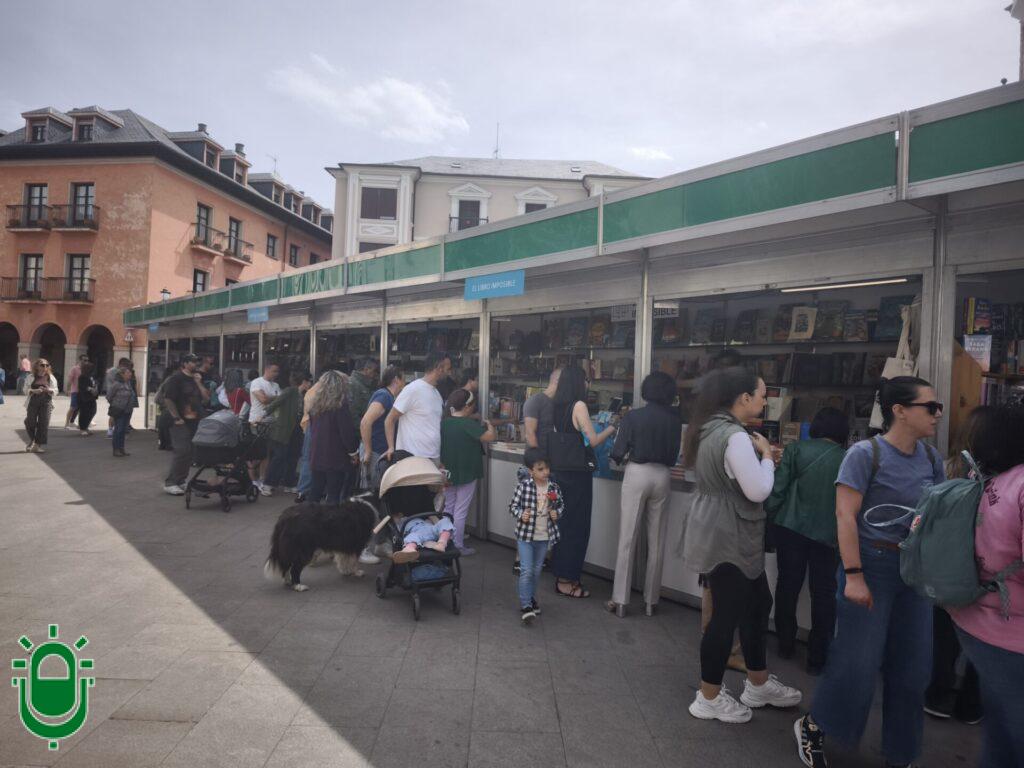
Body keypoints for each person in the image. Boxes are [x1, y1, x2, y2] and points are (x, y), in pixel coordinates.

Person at [796, 376, 946, 768]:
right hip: (872, 565)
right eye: (930, 406)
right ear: (899, 411)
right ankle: (815, 725)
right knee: (857, 663)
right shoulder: (865, 454)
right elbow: (845, 516)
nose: (938, 413)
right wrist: (855, 575)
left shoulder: (931, 459)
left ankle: (902, 753)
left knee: (913, 670)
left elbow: (934, 517)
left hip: (913, 573)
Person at [679, 367, 800, 724]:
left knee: (757, 603)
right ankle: (709, 695)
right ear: (743, 398)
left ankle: (758, 682)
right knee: (727, 615)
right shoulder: (734, 437)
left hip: (721, 530)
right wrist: (765, 456)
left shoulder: (710, 428)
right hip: (731, 534)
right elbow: (758, 490)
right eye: (763, 394)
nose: (766, 400)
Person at [947, 405, 1024, 767]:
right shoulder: (1020, 485)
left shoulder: (979, 483)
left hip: (976, 622)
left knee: (1004, 732)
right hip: (1014, 634)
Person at [764, 407, 848, 675]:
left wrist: (769, 515)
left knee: (788, 584)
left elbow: (778, 489)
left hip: (791, 527)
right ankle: (817, 657)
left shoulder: (796, 450)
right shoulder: (847, 459)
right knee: (824, 594)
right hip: (829, 534)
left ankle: (786, 644)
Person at [924, 406, 991, 723]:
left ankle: (938, 694)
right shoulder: (1004, 479)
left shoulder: (948, 467)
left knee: (944, 636)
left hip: (948, 565)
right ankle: (971, 703)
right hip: (985, 568)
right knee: (984, 634)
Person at [607, 371, 682, 618]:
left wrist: (623, 457)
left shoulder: (633, 417)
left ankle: (620, 601)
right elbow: (673, 456)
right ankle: (651, 602)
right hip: (663, 475)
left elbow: (618, 452)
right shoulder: (674, 419)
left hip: (637, 473)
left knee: (627, 539)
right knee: (657, 541)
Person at [547, 365, 615, 599]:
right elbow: (593, 441)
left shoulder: (556, 405)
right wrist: (612, 428)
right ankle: (567, 580)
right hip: (577, 474)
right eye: (586, 379)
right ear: (578, 382)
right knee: (577, 526)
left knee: (563, 524)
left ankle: (562, 573)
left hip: (559, 470)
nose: (588, 383)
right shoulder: (579, 405)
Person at [509, 448, 564, 624]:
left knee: (536, 571)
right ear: (531, 471)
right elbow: (512, 506)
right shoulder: (524, 487)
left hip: (544, 536)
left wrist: (557, 513)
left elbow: (560, 505)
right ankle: (525, 604)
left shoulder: (554, 487)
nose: (545, 472)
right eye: (540, 469)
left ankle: (531, 598)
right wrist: (520, 514)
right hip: (525, 536)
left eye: (547, 468)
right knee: (526, 570)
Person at [440, 388, 497, 556]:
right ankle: (457, 545)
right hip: (467, 471)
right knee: (461, 509)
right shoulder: (468, 424)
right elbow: (489, 437)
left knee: (448, 507)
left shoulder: (444, 422)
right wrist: (490, 426)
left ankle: (445, 540)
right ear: (466, 407)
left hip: (448, 473)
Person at [384, 352, 451, 464]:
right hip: (413, 458)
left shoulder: (436, 393)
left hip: (433, 457)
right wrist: (391, 447)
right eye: (448, 369)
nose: (450, 373)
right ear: (439, 368)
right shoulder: (412, 389)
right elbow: (390, 419)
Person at [307, 370, 359, 504]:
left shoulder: (315, 406)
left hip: (317, 454)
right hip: (335, 457)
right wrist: (353, 453)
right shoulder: (341, 406)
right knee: (333, 493)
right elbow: (346, 433)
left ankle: (307, 519)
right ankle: (331, 521)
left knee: (315, 490)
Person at [162, 354, 209, 495]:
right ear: (185, 363)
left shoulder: (196, 379)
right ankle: (170, 482)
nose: (196, 364)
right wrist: (176, 417)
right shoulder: (176, 379)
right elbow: (168, 399)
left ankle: (181, 480)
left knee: (190, 451)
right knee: (182, 449)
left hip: (194, 420)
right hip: (179, 420)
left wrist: (199, 383)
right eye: (193, 362)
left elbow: (206, 399)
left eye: (197, 362)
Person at [263, 371, 312, 493]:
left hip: (296, 429)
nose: (311, 384)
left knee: (293, 457)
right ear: (304, 382)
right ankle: (268, 483)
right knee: (279, 456)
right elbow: (276, 403)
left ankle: (288, 483)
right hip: (284, 429)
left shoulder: (305, 395)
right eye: (309, 381)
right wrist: (263, 414)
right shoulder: (291, 391)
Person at [360, 366, 405, 489]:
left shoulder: (390, 397)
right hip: (375, 452)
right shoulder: (383, 396)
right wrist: (368, 451)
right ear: (396, 379)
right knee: (372, 490)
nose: (404, 383)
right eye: (403, 379)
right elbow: (365, 422)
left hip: (380, 452)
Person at [249, 362, 281, 496]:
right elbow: (263, 400)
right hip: (257, 421)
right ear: (266, 370)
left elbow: (279, 401)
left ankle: (263, 479)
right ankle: (253, 480)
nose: (276, 374)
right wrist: (276, 398)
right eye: (274, 371)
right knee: (256, 453)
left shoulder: (276, 385)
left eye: (277, 372)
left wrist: (273, 398)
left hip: (271, 422)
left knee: (266, 453)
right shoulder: (257, 383)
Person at [24, 359, 58, 453]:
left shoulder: (50, 377)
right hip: (33, 401)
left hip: (46, 402)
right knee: (30, 422)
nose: (45, 367)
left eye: (47, 365)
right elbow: (25, 389)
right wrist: (34, 391)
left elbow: (56, 390)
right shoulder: (30, 377)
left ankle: (37, 445)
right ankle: (33, 439)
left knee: (44, 423)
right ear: (37, 366)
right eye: (42, 365)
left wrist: (49, 390)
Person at [523, 368, 561, 449]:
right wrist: (538, 458)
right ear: (558, 381)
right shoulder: (536, 400)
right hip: (539, 456)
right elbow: (530, 433)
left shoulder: (557, 403)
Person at [106, 366, 136, 457]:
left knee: (123, 430)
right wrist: (116, 403)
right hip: (119, 409)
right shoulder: (117, 384)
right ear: (122, 374)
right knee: (118, 430)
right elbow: (109, 396)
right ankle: (116, 449)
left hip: (127, 409)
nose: (130, 374)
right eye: (128, 373)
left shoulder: (128, 383)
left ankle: (122, 449)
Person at [104, 357, 132, 437]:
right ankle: (110, 429)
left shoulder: (122, 372)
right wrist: (111, 399)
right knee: (113, 414)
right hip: (115, 395)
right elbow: (113, 386)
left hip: (121, 396)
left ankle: (118, 429)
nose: (128, 368)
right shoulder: (113, 372)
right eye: (126, 365)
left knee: (119, 414)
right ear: (122, 364)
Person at [347, 358, 379, 424]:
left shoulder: (364, 384)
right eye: (374, 370)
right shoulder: (353, 385)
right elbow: (352, 412)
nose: (375, 374)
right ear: (366, 369)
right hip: (358, 430)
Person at [64, 354, 88, 430]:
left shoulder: (86, 369)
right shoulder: (75, 369)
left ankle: (79, 423)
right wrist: (68, 390)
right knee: (73, 407)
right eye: (84, 360)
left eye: (87, 360)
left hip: (83, 392)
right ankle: (66, 424)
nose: (86, 362)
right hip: (75, 391)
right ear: (80, 360)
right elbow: (70, 380)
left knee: (81, 408)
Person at [76, 362, 99, 435]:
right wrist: (91, 389)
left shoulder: (91, 376)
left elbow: (94, 383)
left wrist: (95, 388)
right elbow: (82, 386)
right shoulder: (82, 376)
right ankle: (82, 429)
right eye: (91, 368)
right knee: (84, 413)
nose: (93, 369)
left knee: (93, 411)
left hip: (92, 397)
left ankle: (86, 426)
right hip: (84, 397)